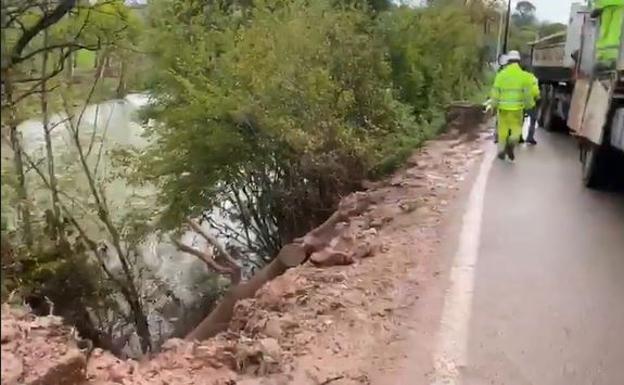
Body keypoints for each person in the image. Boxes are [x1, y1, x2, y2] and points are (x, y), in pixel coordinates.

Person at [490, 50, 534, 161]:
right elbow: (528, 95)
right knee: (516, 130)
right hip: (517, 109)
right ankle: (511, 142)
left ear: (508, 61)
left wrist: (493, 106)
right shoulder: (525, 77)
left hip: (503, 109)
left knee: (502, 130)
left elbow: (495, 93)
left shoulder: (501, 75)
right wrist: (529, 106)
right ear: (519, 61)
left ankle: (501, 150)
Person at [592, 0, 624, 71]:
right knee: (605, 32)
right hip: (605, 6)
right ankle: (602, 57)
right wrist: (597, 6)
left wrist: (597, 6)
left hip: (619, 6)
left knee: (614, 31)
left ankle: (610, 58)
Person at [523, 67, 540, 145]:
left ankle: (518, 136)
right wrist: (538, 97)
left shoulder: (520, 78)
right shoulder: (533, 79)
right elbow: (535, 91)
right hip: (531, 103)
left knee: (520, 120)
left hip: (521, 102)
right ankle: (530, 138)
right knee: (532, 120)